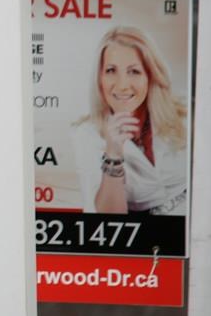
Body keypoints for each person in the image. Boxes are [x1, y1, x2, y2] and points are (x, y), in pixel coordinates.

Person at [73, 26, 188, 215]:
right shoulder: (87, 134)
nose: (122, 85)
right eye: (111, 70)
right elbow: (108, 218)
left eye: (134, 71)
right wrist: (113, 154)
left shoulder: (184, 114)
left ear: (150, 75)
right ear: (99, 78)